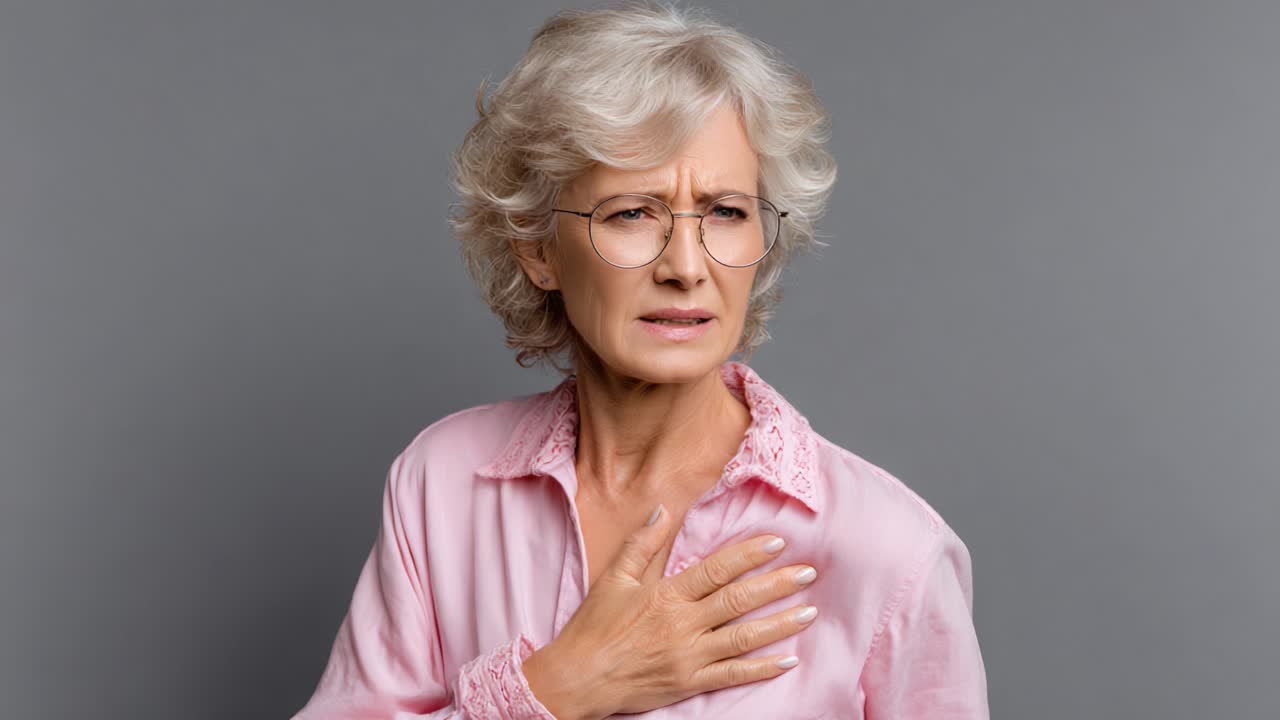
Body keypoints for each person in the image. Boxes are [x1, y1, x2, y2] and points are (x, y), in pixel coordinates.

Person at [291, 2, 989, 718]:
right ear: (536, 247)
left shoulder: (890, 551)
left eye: (725, 211)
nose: (687, 267)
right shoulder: (441, 485)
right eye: (631, 212)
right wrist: (551, 693)